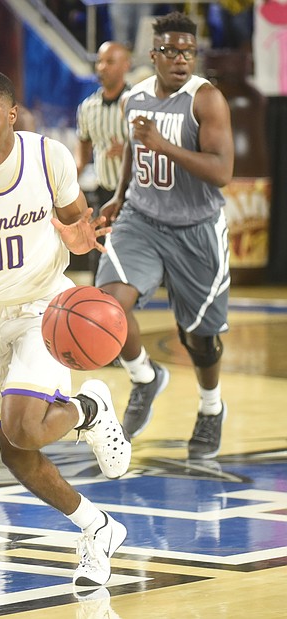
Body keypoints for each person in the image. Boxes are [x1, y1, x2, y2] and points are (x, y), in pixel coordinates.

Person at [0, 69, 132, 588]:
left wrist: (82, 238)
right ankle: (97, 526)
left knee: (24, 427)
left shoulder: (48, 157)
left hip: (46, 308)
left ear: (11, 114)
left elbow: (78, 235)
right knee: (15, 451)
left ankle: (89, 407)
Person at [95, 12, 234, 459]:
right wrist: (120, 195)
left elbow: (223, 172)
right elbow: (137, 152)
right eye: (171, 51)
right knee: (107, 311)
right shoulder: (133, 98)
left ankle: (211, 408)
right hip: (142, 219)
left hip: (196, 228)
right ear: (153, 55)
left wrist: (167, 146)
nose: (180, 59)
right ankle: (143, 377)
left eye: (188, 52)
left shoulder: (206, 100)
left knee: (200, 338)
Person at [76, 41, 132, 211]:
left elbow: (155, 151)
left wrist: (128, 152)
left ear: (126, 66)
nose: (102, 67)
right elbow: (83, 151)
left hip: (135, 193)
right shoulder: (87, 106)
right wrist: (67, 182)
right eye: (99, 61)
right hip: (102, 192)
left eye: (109, 62)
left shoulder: (137, 102)